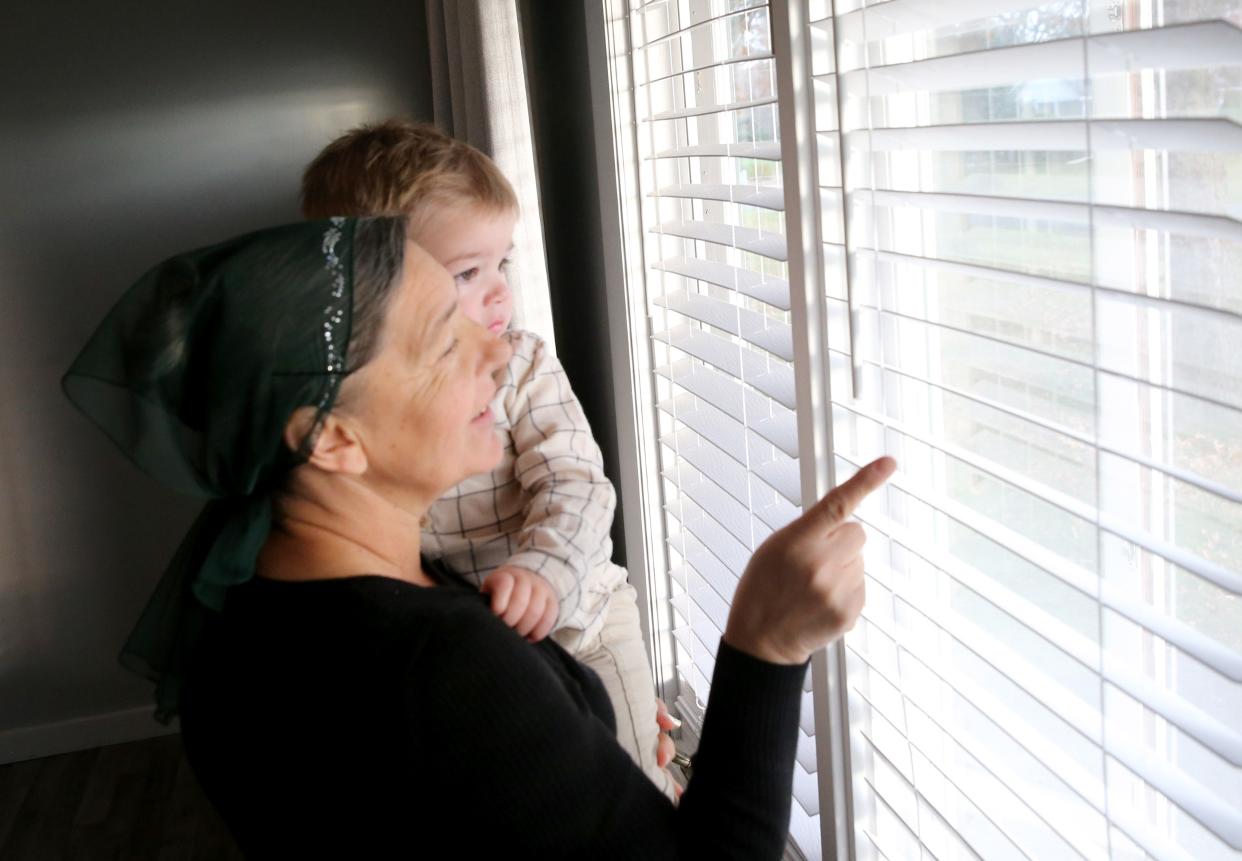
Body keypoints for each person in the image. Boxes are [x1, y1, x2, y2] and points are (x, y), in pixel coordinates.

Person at [63, 215, 895, 859]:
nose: (497, 353)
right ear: (330, 439)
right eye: (442, 343)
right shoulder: (436, 667)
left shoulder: (242, 611)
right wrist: (767, 646)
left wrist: (576, 746)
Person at [301, 119, 678, 796]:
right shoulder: (354, 401)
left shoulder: (525, 361)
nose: (501, 291)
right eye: (468, 272)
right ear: (375, 281)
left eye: (502, 262)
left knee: (633, 783)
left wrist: (544, 569)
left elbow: (576, 482)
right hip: (480, 655)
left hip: (579, 620)